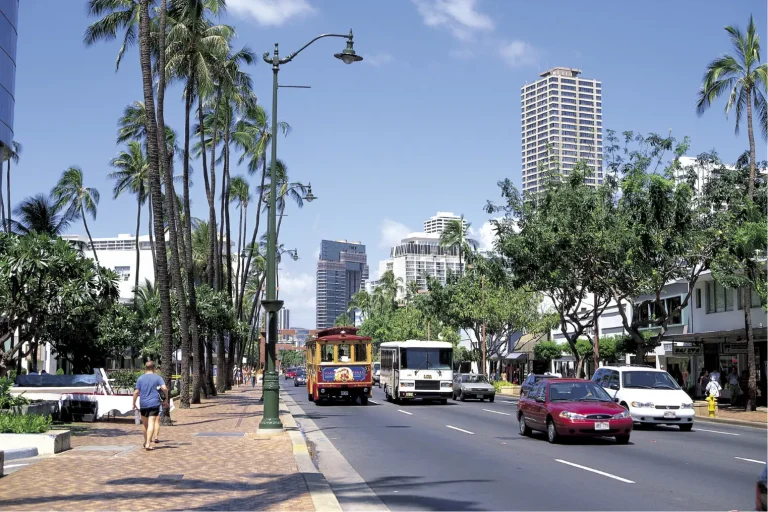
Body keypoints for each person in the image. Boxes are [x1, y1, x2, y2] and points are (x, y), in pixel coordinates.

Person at [132, 361, 168, 451]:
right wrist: (165, 399)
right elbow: (164, 388)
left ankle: (145, 441)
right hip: (154, 403)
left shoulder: (140, 378)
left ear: (145, 368)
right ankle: (148, 443)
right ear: (154, 368)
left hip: (143, 404)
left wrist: (133, 403)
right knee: (151, 422)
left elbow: (136, 392)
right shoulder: (157, 378)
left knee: (144, 424)